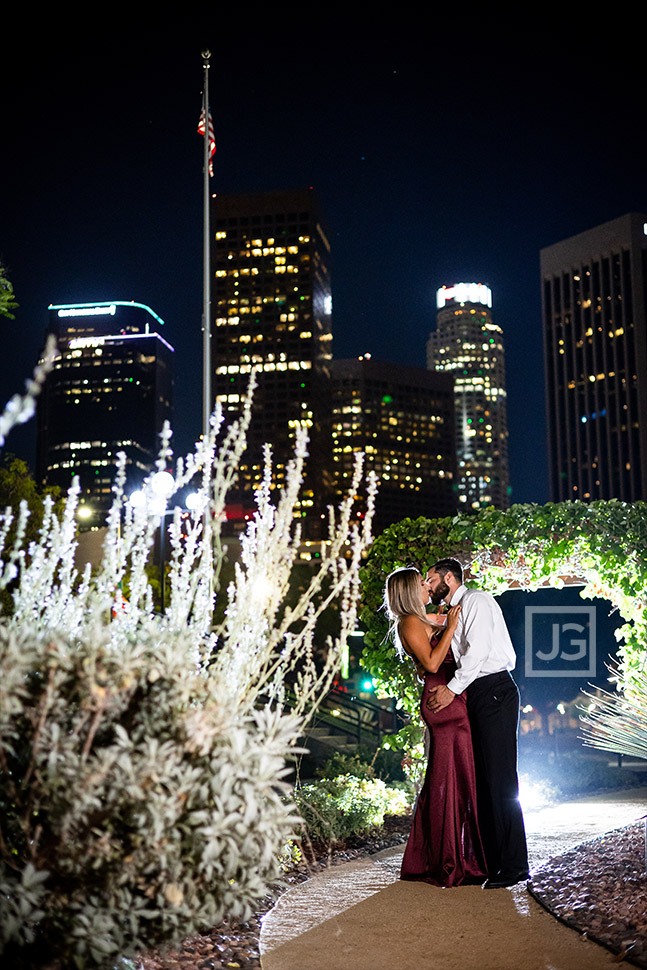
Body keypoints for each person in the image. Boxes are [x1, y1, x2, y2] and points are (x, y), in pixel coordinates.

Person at [425, 558, 529, 889]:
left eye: (431, 580)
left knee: (500, 782)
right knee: (484, 782)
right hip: (479, 692)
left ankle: (514, 866)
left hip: (494, 689)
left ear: (449, 578)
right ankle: (495, 864)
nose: (428, 586)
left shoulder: (477, 601)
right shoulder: (455, 610)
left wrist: (451, 690)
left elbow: (479, 653)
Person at [384, 566, 487, 887]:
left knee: (458, 778)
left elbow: (459, 622)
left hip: (453, 698)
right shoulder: (410, 622)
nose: (428, 587)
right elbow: (430, 663)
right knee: (447, 781)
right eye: (421, 584)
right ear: (408, 591)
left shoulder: (426, 617)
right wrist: (452, 623)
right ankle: (446, 862)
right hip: (442, 703)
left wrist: (453, 618)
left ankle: (458, 856)